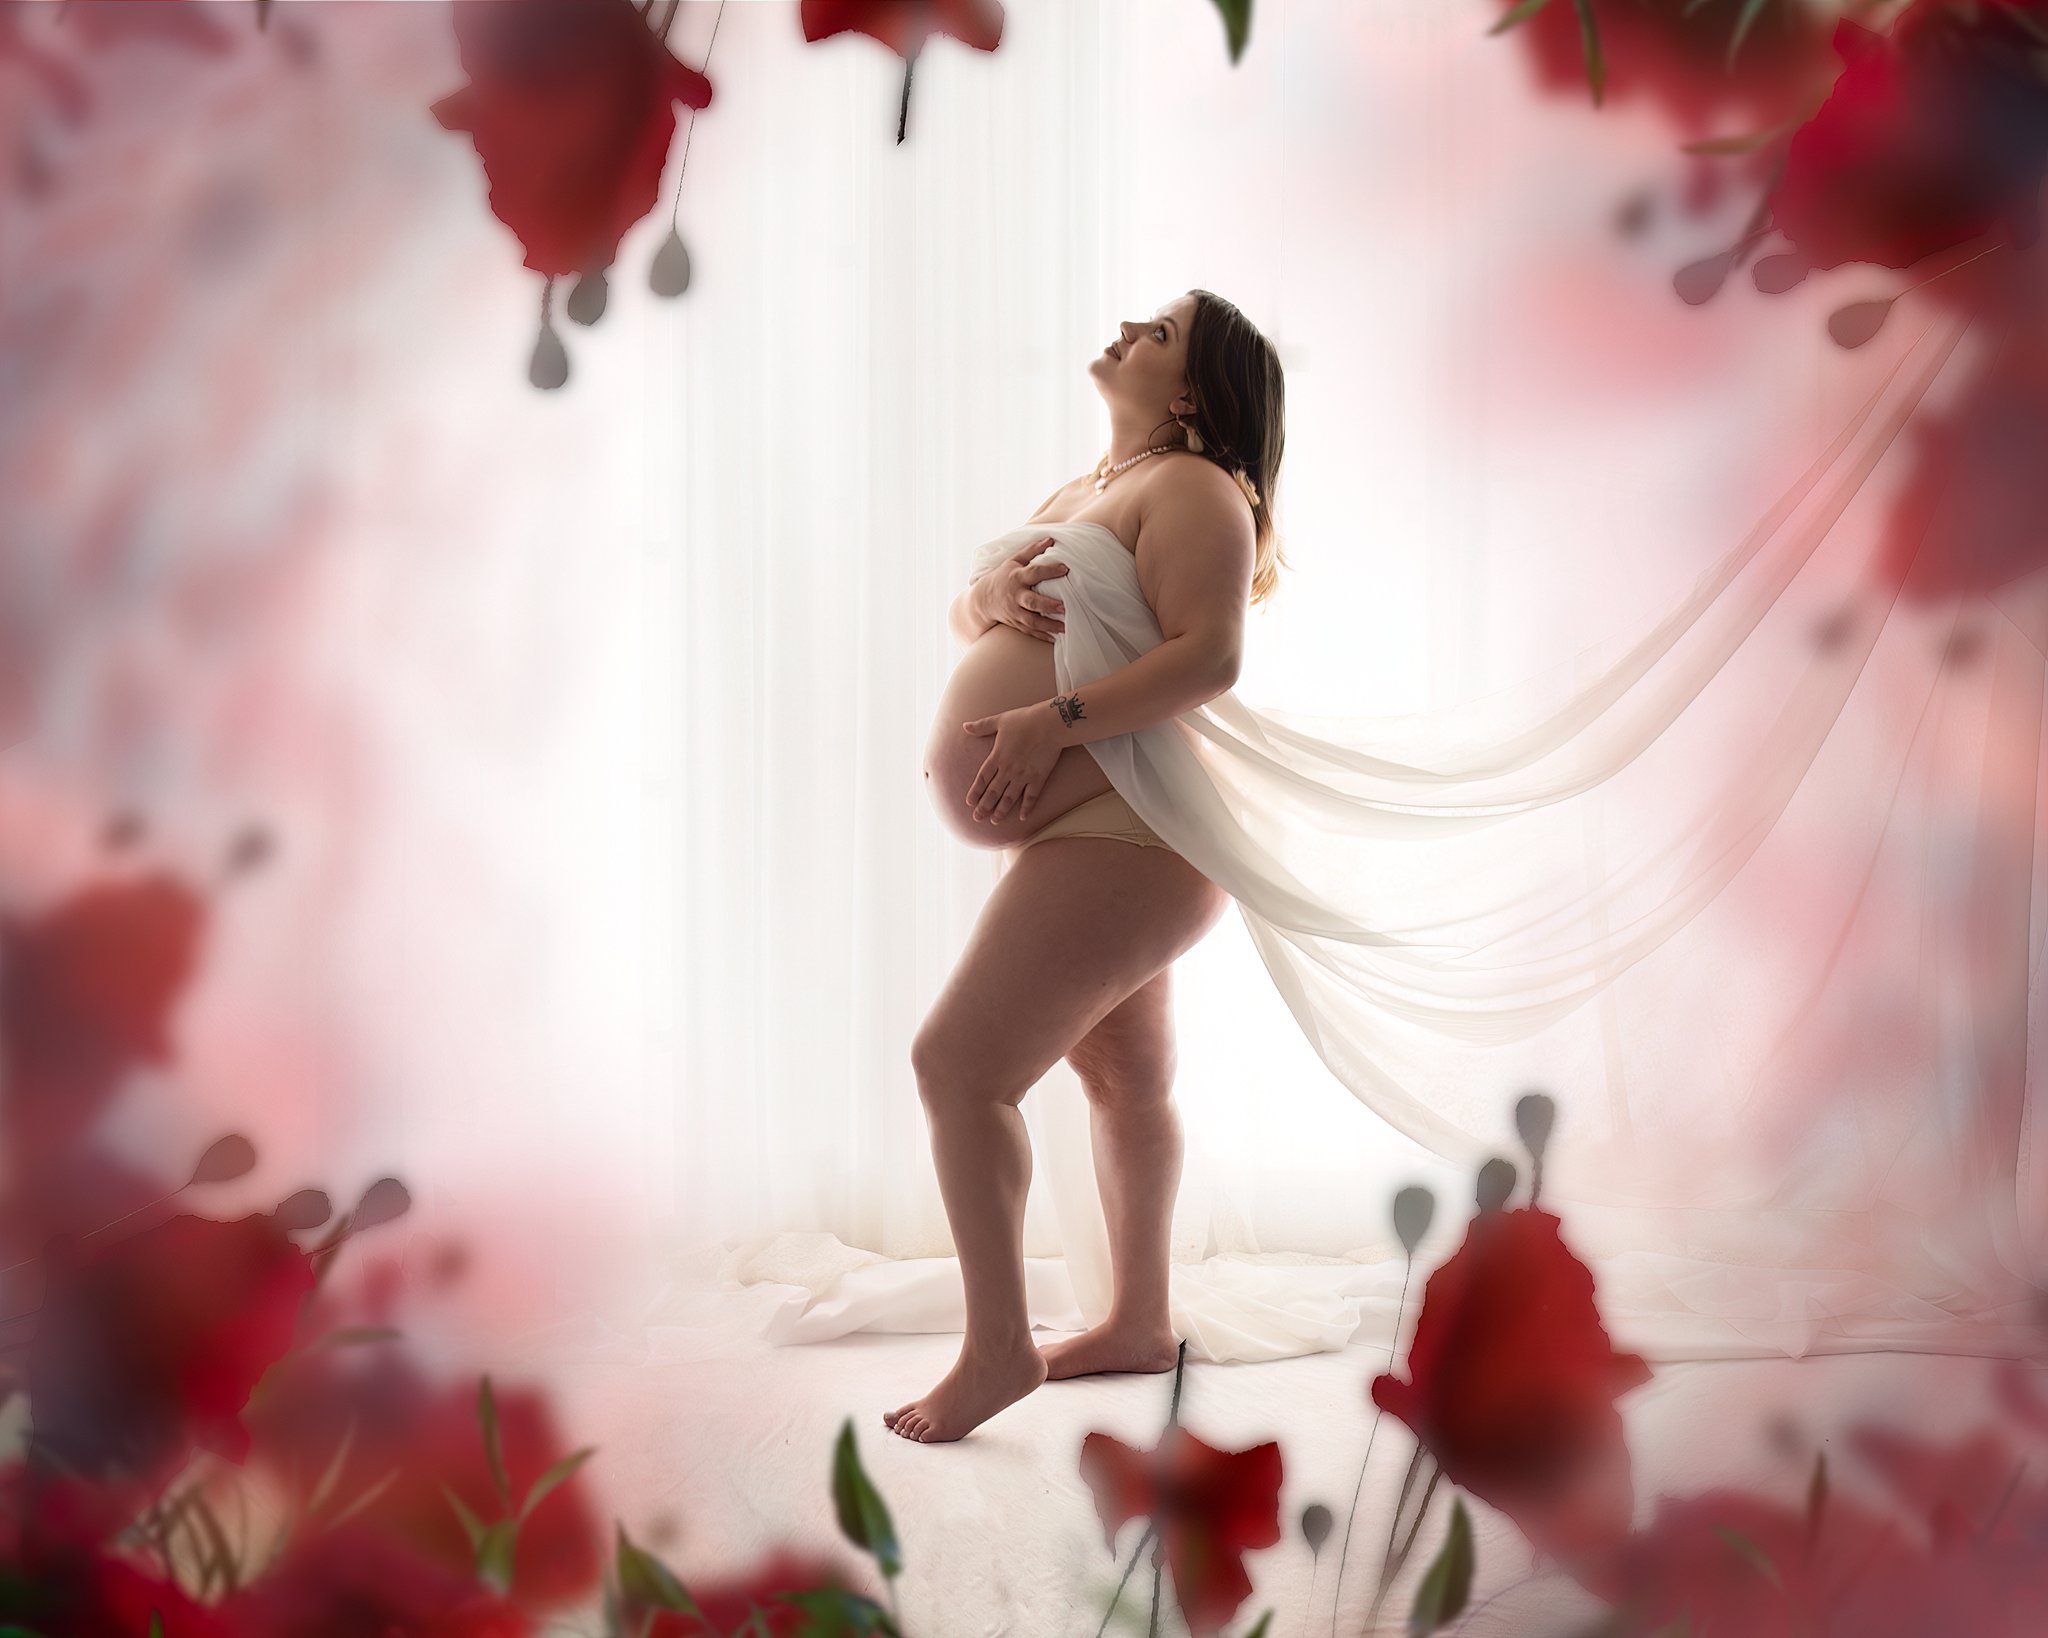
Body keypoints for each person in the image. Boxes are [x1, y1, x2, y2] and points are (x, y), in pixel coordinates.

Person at [888, 289, 1284, 1443]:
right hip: (1105, 832)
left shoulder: (1196, 488)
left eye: (1156, 334)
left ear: (1196, 392)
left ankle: (997, 1349)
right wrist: (987, 596)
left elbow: (1208, 658)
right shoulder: (1085, 490)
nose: (1124, 330)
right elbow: (988, 623)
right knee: (1122, 1086)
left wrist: (1050, 721)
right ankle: (1136, 1325)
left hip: (1130, 832)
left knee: (957, 1067)